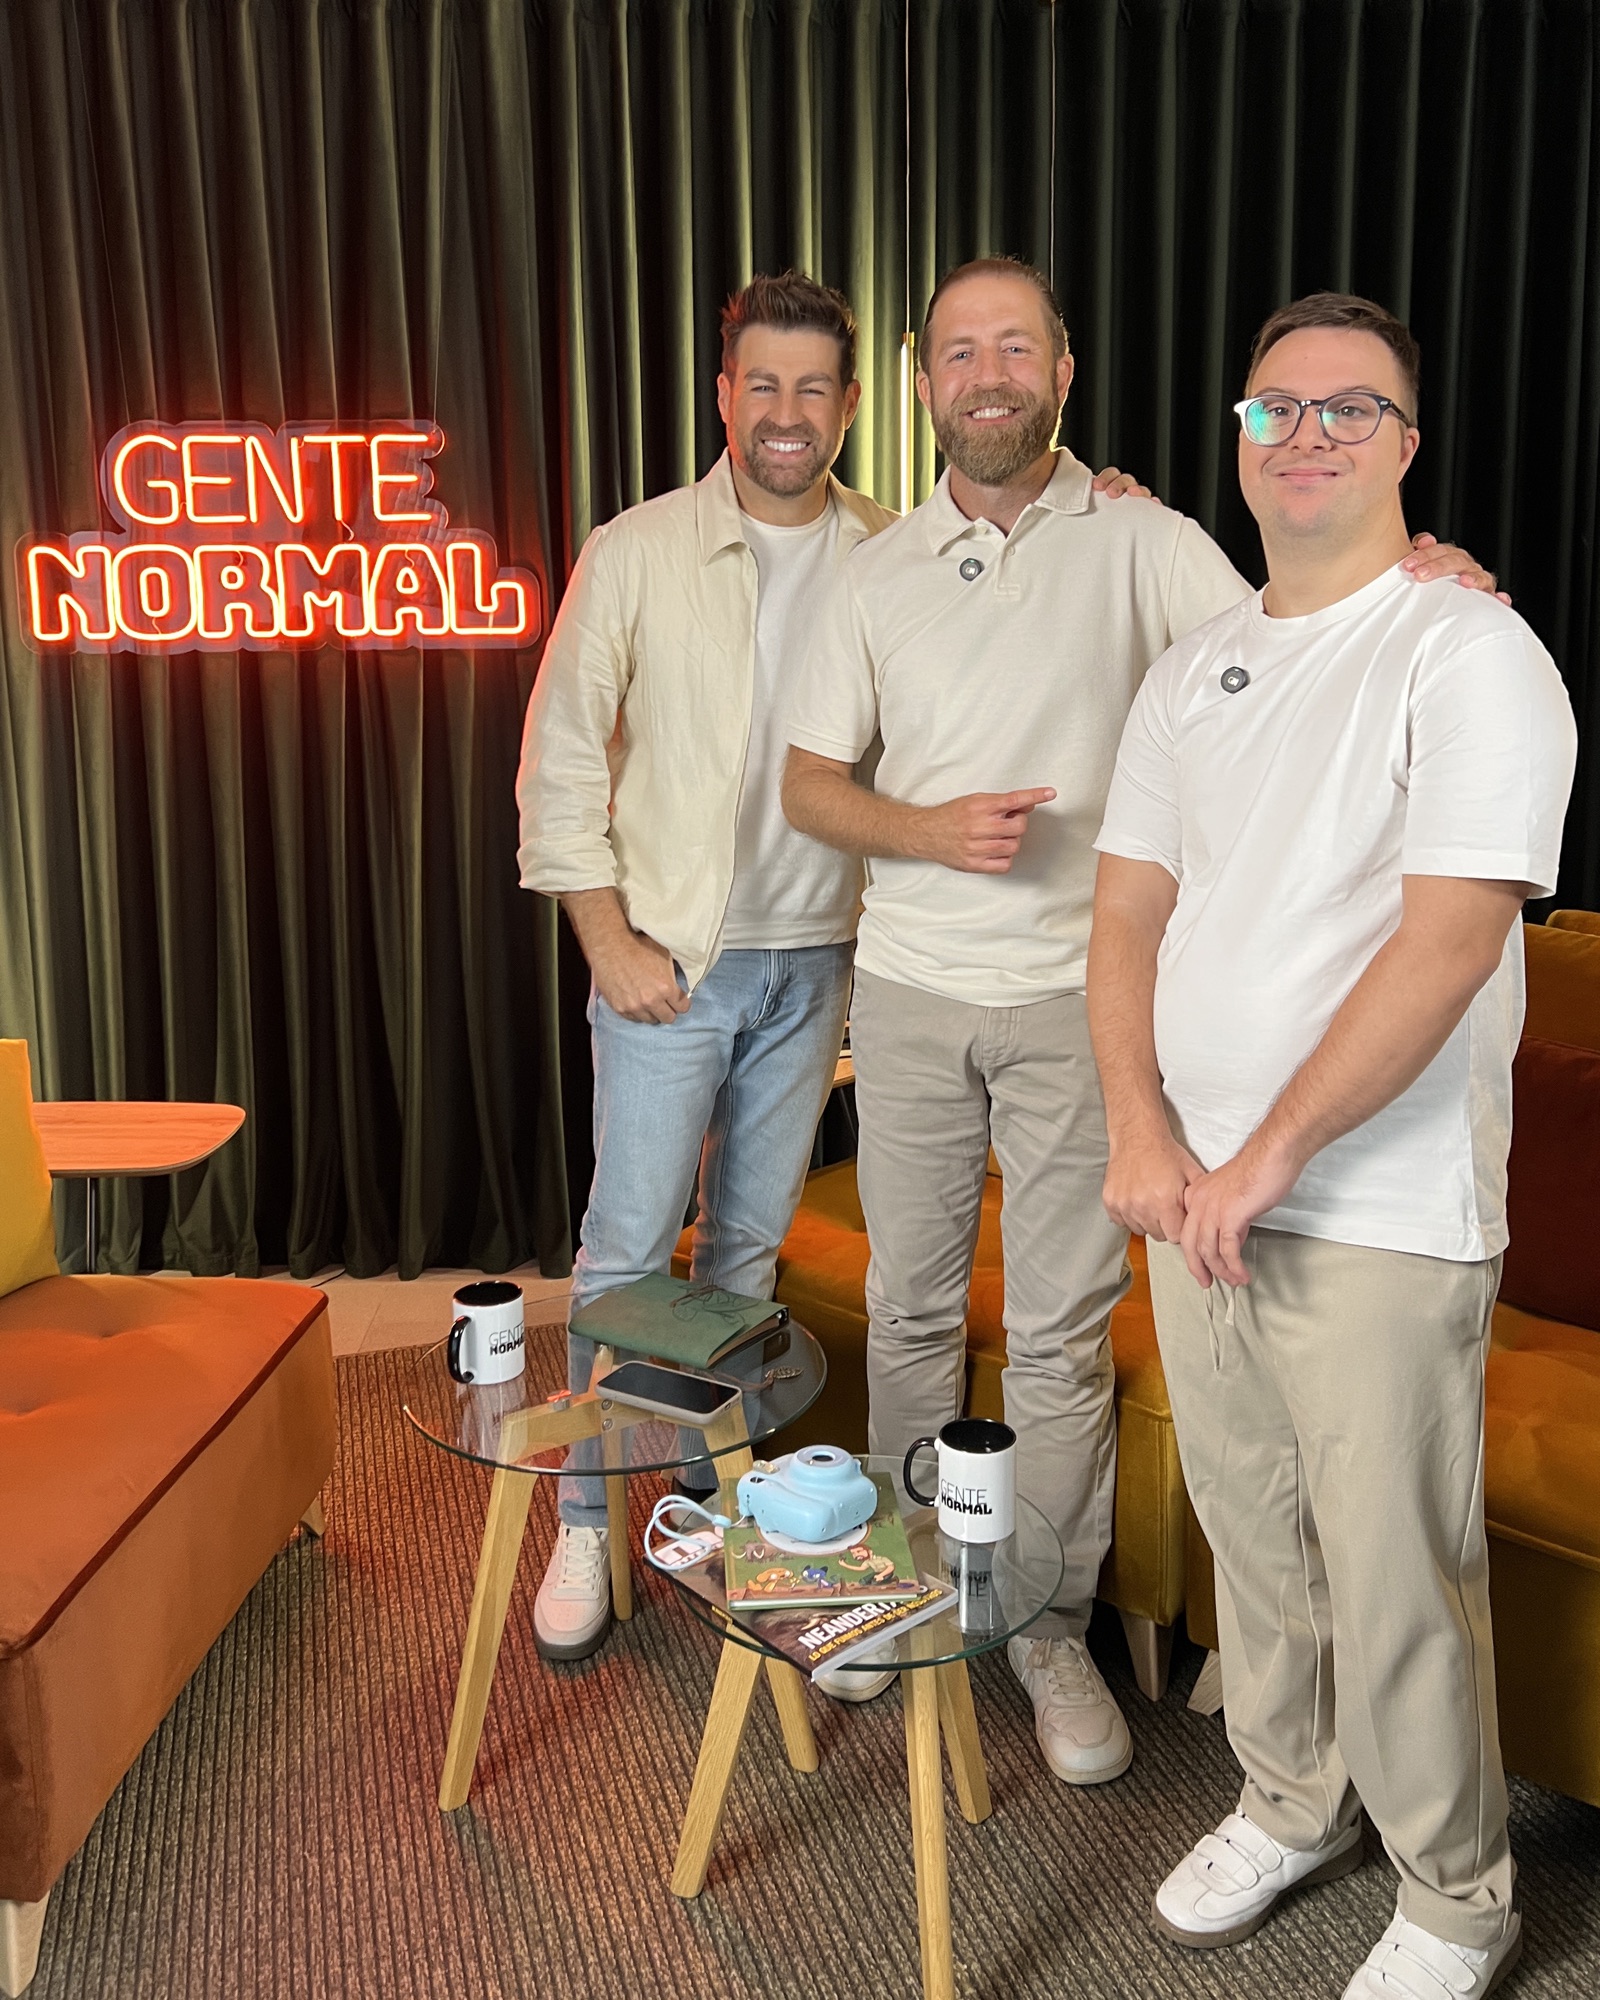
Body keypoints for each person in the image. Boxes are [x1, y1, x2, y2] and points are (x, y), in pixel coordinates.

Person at [781, 257, 1504, 1787]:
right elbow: (810, 787)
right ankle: (912, 1582)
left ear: (1061, 372)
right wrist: (926, 830)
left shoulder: (1148, 538)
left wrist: (1423, 571)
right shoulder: (873, 569)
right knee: (909, 1314)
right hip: (906, 994)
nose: (988, 373)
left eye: (1017, 348)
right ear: (923, 382)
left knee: (1056, 1335)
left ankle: (1041, 1624)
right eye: (960, 351)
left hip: (1084, 1007)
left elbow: (1297, 636)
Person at [515, 269, 1144, 1680]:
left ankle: (699, 1496)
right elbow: (557, 765)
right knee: (628, 1256)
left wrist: (1107, 501)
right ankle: (586, 1519)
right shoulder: (637, 549)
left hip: (826, 968)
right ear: (723, 395)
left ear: (857, 404)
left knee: (745, 1258)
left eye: (815, 387)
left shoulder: (897, 549)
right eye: (764, 385)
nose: (788, 412)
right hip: (675, 962)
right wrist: (608, 941)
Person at [1088, 292, 1575, 1997]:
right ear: (1240, 438)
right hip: (1193, 1194)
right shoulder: (1192, 671)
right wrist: (1144, 1131)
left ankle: (1456, 1897)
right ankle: (1293, 1802)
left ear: (1406, 443)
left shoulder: (1469, 651)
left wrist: (1272, 1151)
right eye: (1275, 407)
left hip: (1376, 1203)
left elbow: (1450, 940)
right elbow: (1126, 914)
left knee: (1393, 1569)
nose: (1306, 434)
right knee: (1254, 1530)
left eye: (1348, 407)